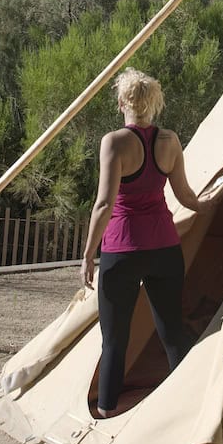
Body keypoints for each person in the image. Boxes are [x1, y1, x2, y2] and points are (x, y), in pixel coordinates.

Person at [81, 67, 202, 418]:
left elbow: (104, 204)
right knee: (172, 333)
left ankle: (105, 411)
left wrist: (89, 254)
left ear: (122, 102)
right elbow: (185, 195)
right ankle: (187, 406)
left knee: (115, 339)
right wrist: (207, 205)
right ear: (154, 103)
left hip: (122, 249)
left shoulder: (114, 142)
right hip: (165, 248)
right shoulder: (170, 141)